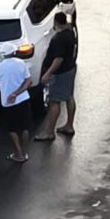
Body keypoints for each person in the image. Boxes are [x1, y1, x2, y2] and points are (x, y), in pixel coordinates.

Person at [34, 13, 78, 141]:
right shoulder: (70, 32)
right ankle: (69, 126)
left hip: (60, 74)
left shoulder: (58, 39)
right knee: (69, 97)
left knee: (54, 102)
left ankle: (49, 132)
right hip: (70, 69)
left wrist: (47, 74)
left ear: (56, 22)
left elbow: (58, 59)